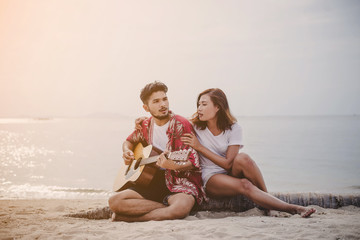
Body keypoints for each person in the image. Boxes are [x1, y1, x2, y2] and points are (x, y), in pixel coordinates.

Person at [180, 88, 316, 218]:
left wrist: (200, 147)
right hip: (210, 177)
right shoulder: (195, 127)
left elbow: (228, 164)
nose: (199, 108)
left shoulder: (234, 128)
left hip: (228, 170)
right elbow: (174, 125)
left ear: (218, 107)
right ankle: (293, 208)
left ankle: (268, 203)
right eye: (198, 104)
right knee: (245, 184)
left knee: (244, 158)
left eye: (204, 104)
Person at [108, 81, 206, 222]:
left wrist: (173, 165)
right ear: (146, 107)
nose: (163, 104)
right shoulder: (145, 125)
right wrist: (126, 151)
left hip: (180, 182)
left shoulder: (181, 124)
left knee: (180, 209)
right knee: (115, 202)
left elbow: (192, 161)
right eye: (156, 101)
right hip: (151, 181)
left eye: (165, 99)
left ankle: (132, 218)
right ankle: (165, 207)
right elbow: (129, 141)